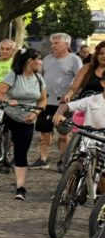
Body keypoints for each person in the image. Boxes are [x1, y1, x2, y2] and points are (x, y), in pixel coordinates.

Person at [0, 48, 47, 200]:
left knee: (20, 153)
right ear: (30, 61)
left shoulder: (38, 78)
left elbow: (43, 100)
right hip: (7, 113)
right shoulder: (14, 75)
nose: (41, 63)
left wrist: (35, 113)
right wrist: (8, 101)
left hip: (26, 118)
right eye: (39, 59)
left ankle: (20, 187)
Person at [33, 32, 82, 170]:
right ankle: (42, 159)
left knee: (64, 134)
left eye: (56, 43)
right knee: (44, 133)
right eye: (52, 43)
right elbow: (39, 77)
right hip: (46, 102)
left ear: (66, 44)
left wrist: (71, 94)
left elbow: (80, 80)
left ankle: (63, 160)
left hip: (64, 104)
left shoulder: (74, 59)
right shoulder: (47, 59)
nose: (52, 46)